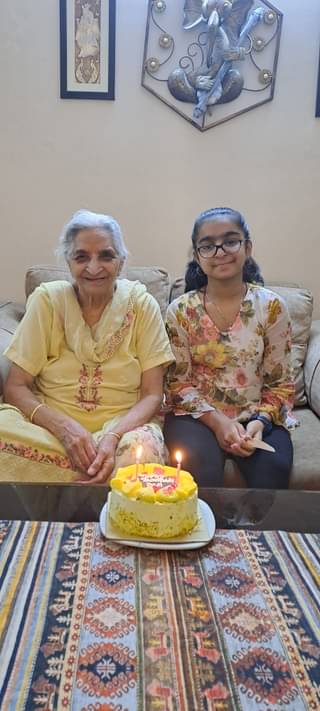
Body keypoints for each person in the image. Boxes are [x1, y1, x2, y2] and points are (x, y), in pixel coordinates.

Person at [0, 210, 174, 484]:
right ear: (69, 263)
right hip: (50, 429)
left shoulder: (142, 304)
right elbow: (15, 387)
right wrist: (64, 428)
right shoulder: (47, 301)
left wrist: (113, 435)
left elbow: (152, 394)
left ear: (121, 261)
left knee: (140, 457)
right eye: (82, 257)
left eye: (106, 255)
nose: (94, 267)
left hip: (123, 429)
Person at [164, 207, 295, 489]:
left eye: (230, 241)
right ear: (197, 256)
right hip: (197, 416)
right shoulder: (180, 311)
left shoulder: (272, 307)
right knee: (198, 465)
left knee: (274, 467)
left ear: (247, 247)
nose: (220, 251)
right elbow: (177, 384)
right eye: (208, 245)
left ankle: (252, 535)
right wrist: (219, 422)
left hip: (257, 415)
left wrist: (258, 423)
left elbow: (281, 383)